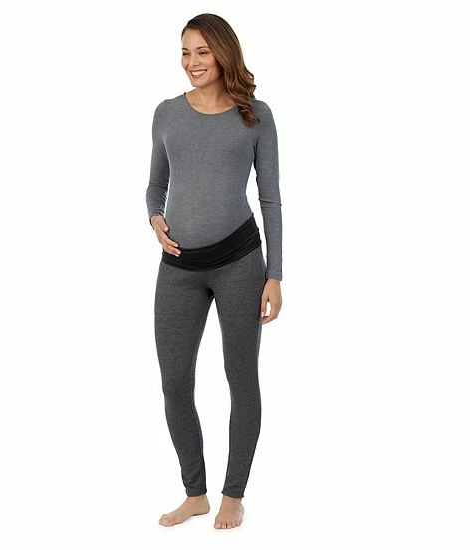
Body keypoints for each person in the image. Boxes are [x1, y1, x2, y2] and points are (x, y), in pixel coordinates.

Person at [145, 13, 283, 530]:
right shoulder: (166, 113)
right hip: (178, 266)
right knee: (174, 382)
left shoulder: (256, 115)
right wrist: (154, 217)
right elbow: (155, 185)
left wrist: (275, 274)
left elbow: (270, 199)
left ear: (224, 53)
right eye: (185, 52)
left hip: (240, 263)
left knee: (240, 377)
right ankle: (195, 493)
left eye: (202, 52)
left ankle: (233, 494)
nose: (192, 62)